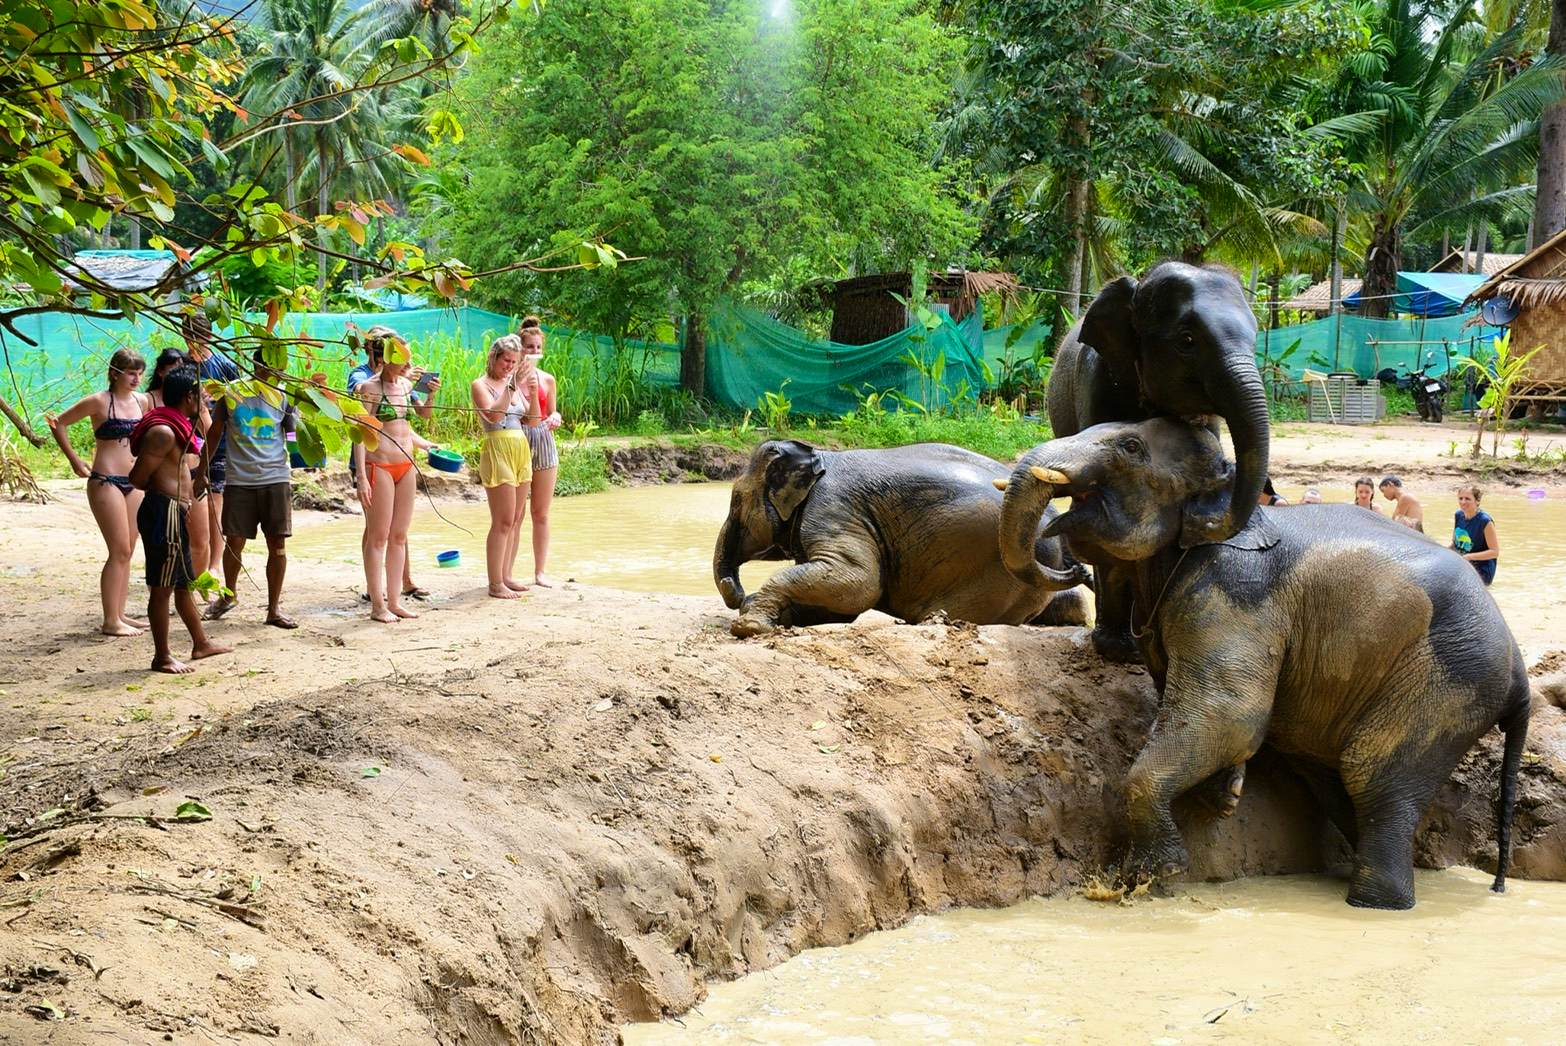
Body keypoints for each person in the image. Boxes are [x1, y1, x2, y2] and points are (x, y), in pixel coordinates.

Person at [126, 365, 232, 673]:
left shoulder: (178, 426)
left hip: (174, 511)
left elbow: (207, 438)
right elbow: (138, 477)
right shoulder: (163, 432)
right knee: (162, 587)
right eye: (199, 397)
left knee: (184, 583)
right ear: (188, 397)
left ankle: (200, 643)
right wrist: (170, 497)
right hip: (164, 512)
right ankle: (162, 656)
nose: (203, 403)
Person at [46, 348, 151, 636]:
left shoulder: (142, 401)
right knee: (118, 549)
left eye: (140, 373)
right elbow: (58, 422)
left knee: (127, 551)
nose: (136, 379)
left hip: (136, 482)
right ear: (115, 373)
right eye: (131, 373)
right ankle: (110, 620)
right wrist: (74, 459)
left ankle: (120, 613)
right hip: (106, 480)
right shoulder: (99, 401)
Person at [201, 348, 297, 628]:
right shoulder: (231, 393)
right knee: (235, 541)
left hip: (276, 478)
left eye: (280, 364)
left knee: (277, 544)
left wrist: (299, 442)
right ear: (257, 363)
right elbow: (215, 432)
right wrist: (200, 472)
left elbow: (290, 432)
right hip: (239, 480)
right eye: (272, 363)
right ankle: (228, 596)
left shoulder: (284, 396)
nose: (276, 370)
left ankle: (274, 609)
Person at [347, 327, 438, 601]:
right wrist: (361, 477)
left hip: (406, 465)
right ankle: (377, 604)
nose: (408, 364)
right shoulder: (368, 388)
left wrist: (431, 393)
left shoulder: (406, 385)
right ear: (387, 357)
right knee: (378, 536)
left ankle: (396, 601)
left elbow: (424, 414)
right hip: (380, 466)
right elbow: (361, 434)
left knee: (399, 536)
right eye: (403, 357)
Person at [471, 334, 540, 598]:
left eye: (514, 362)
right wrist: (513, 385)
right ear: (494, 358)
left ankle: (506, 575)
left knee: (517, 518)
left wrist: (532, 394)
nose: (510, 366)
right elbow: (493, 415)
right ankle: (494, 582)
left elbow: (532, 421)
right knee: (502, 520)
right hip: (498, 447)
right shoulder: (481, 385)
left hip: (520, 448)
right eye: (506, 361)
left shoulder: (512, 384)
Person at [183, 314, 240, 576]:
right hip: (186, 443)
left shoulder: (224, 365)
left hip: (220, 441)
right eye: (189, 336)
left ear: (209, 337)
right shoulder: (180, 366)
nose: (193, 342)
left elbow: (239, 401)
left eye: (198, 337)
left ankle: (214, 565)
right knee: (191, 504)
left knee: (216, 503)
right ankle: (193, 560)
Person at [147, 348, 211, 582]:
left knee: (200, 538)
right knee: (169, 543)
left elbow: (210, 433)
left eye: (180, 366)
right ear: (161, 372)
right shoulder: (151, 401)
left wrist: (200, 407)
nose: (176, 371)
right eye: (171, 367)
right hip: (166, 483)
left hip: (193, 474)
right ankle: (172, 590)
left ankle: (194, 587)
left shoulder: (193, 403)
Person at [518, 317, 562, 586]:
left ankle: (539, 572)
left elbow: (552, 410)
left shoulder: (547, 379)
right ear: (520, 348)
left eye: (537, 347)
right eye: (529, 347)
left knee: (541, 512)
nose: (533, 352)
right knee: (515, 513)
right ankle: (505, 572)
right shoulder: (510, 376)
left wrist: (555, 416)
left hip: (544, 439)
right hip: (518, 439)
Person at [1452, 485, 1500, 586]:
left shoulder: (1485, 521)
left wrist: (1469, 557)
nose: (1463, 502)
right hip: (1463, 562)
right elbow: (1455, 543)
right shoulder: (1458, 515)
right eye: (1460, 498)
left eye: (1467, 499)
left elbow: (1494, 552)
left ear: (1477, 501)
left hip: (1481, 569)